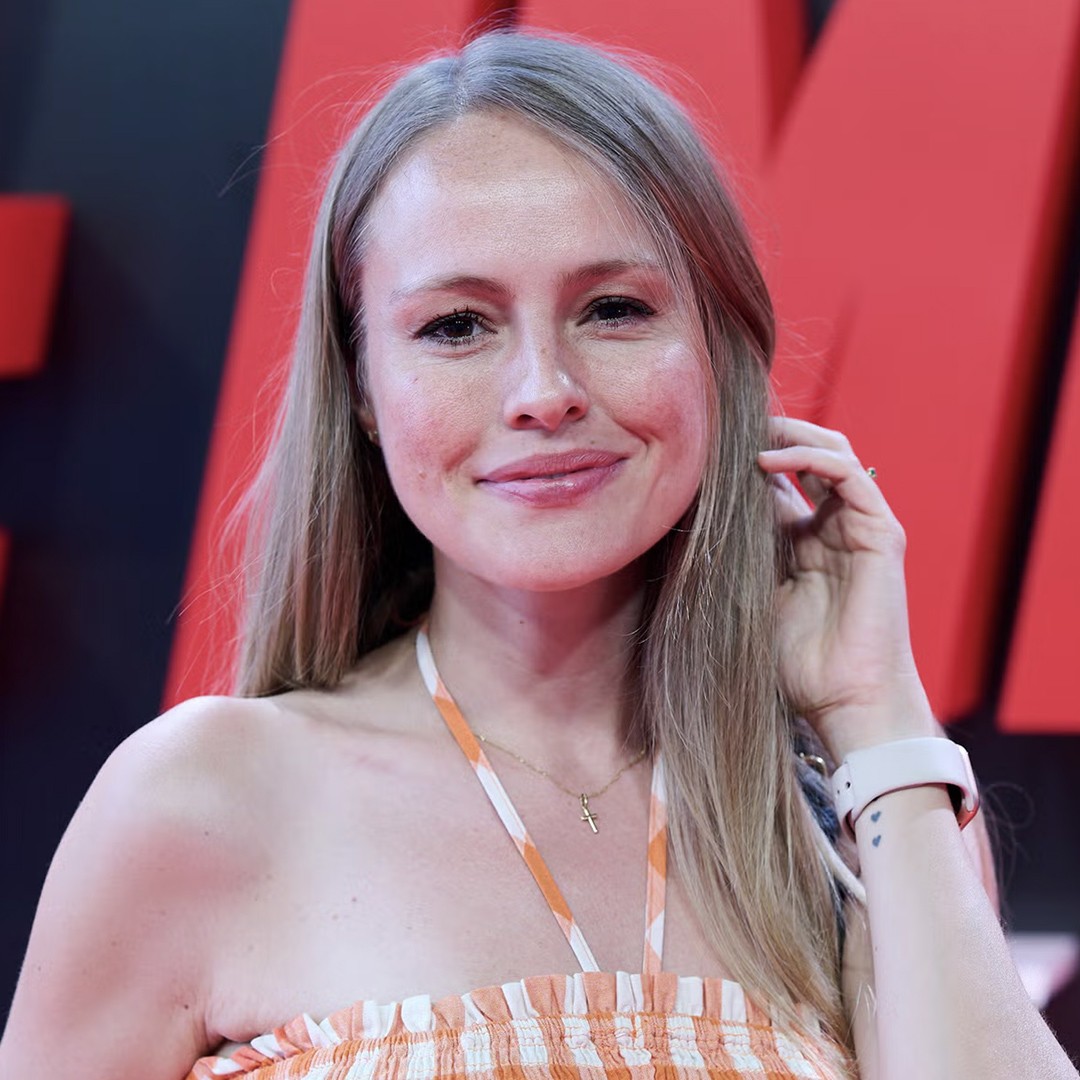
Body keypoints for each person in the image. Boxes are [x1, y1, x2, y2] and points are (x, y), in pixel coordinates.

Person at [0, 28, 1076, 1080]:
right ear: (363, 389)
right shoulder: (203, 799)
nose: (544, 392)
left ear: (719, 351)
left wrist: (874, 714)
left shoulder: (859, 815)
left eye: (613, 310)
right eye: (457, 326)